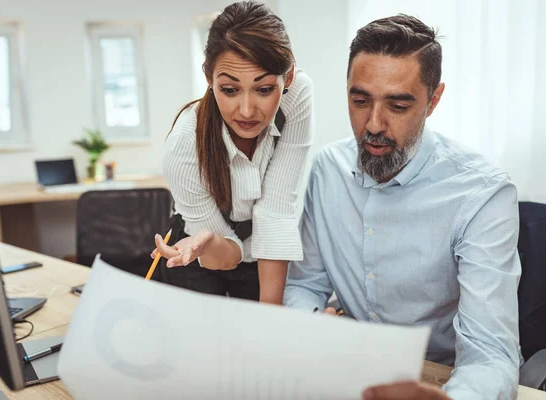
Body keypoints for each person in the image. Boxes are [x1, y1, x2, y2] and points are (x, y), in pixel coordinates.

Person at [283, 14, 521, 400]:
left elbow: (490, 354)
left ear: (434, 100)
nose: (373, 124)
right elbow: (305, 285)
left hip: (441, 376)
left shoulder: (482, 194)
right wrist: (312, 326)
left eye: (397, 105)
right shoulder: (328, 170)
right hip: (348, 370)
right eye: (360, 101)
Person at [153, 1, 313, 305]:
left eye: (264, 89)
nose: (247, 110)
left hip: (261, 252)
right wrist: (210, 242)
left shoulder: (298, 95)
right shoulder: (183, 145)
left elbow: (276, 210)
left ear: (288, 78)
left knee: (262, 337)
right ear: (209, 78)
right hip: (198, 252)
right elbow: (225, 257)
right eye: (229, 89)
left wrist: (270, 321)